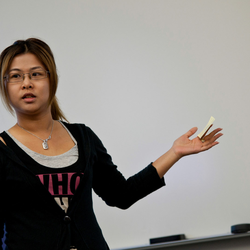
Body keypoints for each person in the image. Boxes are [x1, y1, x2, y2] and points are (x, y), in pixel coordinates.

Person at [0, 38, 223, 250]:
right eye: (16, 76)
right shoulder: (3, 150)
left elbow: (121, 195)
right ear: (5, 85)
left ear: (51, 79)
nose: (26, 83)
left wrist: (174, 152)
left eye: (36, 74)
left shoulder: (83, 137)